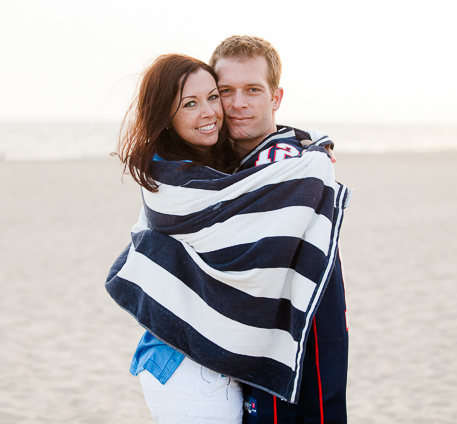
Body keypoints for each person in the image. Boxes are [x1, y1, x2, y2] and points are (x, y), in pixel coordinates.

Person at [209, 35, 348, 423]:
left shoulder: (287, 162)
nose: (238, 104)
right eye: (226, 91)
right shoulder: (234, 164)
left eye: (252, 89)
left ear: (276, 97)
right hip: (260, 342)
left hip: (304, 339)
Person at [114, 54, 243, 423]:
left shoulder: (210, 169)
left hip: (196, 357)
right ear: (164, 118)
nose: (210, 112)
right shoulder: (173, 180)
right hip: (184, 365)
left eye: (213, 96)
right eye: (190, 104)